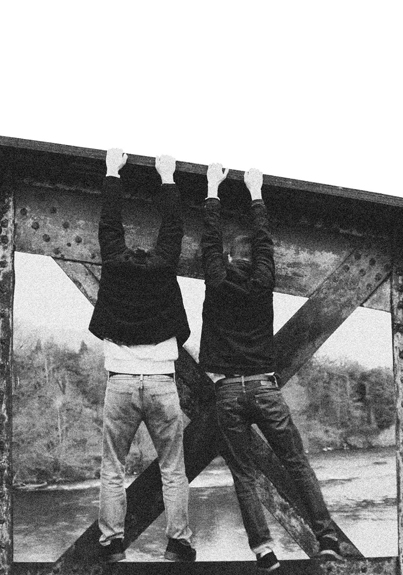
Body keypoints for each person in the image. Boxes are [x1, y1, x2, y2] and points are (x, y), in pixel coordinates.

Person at [199, 163, 343, 572]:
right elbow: (265, 241)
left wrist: (212, 187)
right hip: (265, 388)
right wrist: (256, 193)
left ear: (228, 258)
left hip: (228, 391)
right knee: (296, 462)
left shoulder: (216, 282)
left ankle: (263, 551)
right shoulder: (263, 285)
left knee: (244, 475)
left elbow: (209, 239)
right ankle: (326, 538)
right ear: (255, 261)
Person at [88, 148, 195, 563]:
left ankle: (112, 543)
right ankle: (178, 543)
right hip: (162, 381)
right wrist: (167, 178)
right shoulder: (163, 267)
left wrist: (112, 171)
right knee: (173, 469)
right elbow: (173, 229)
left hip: (120, 381)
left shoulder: (114, 267)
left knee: (112, 469)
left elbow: (108, 225)